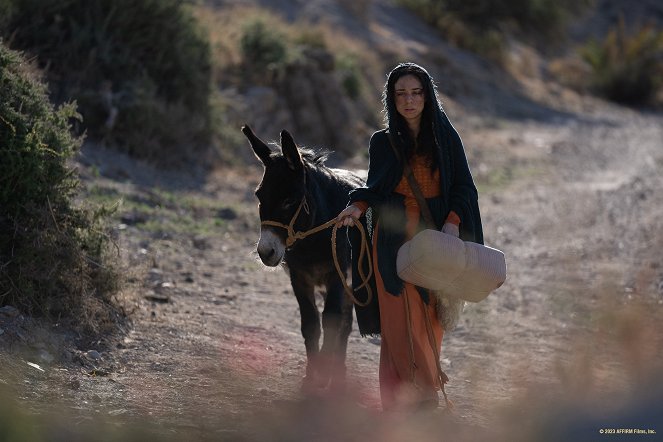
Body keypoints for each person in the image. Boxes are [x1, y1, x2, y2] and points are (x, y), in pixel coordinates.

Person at [336, 62, 483, 411]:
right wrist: (356, 208)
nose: (409, 100)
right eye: (401, 93)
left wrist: (451, 221)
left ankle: (419, 387)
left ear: (427, 96)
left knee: (431, 316)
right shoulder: (382, 142)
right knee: (400, 319)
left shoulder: (446, 139)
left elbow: (464, 187)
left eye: (416, 92)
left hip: (436, 237)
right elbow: (375, 188)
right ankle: (411, 396)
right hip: (391, 239)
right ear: (392, 98)